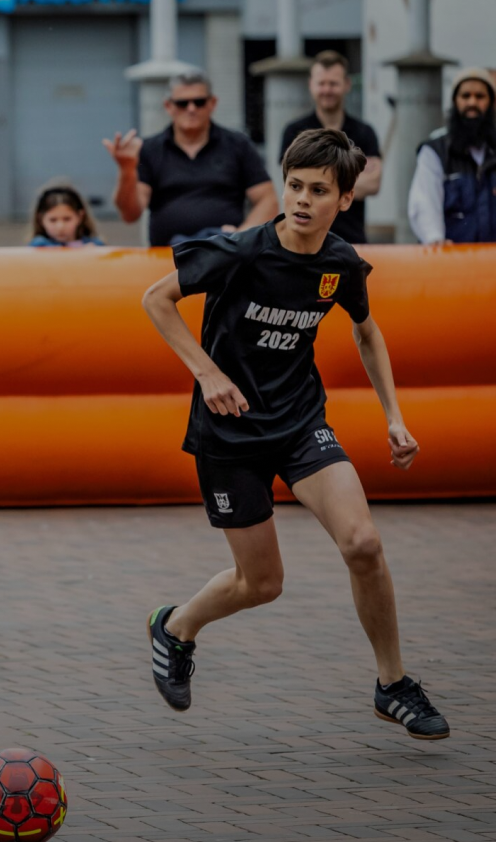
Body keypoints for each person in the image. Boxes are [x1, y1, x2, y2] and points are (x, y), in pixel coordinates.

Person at [139, 128, 449, 740]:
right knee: (263, 584)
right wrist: (207, 373)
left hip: (301, 422)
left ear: (345, 200)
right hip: (229, 435)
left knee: (363, 542)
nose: (303, 200)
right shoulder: (239, 251)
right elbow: (155, 299)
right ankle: (174, 627)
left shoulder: (339, 264)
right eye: (295, 186)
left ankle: (393, 684)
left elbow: (366, 332)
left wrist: (394, 416)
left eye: (319, 191)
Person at [106, 69, 276, 246]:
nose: (191, 109)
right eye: (182, 103)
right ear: (168, 106)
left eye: (199, 102)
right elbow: (130, 214)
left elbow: (268, 200)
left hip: (225, 255)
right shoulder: (149, 149)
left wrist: (240, 238)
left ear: (212, 103)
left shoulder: (238, 145)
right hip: (167, 257)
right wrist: (126, 170)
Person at [279, 52, 382, 245]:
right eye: (321, 83)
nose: (327, 90)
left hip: (351, 240)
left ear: (346, 85)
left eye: (333, 83)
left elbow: (373, 184)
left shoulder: (364, 132)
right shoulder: (294, 131)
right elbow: (289, 181)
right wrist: (347, 178)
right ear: (311, 85)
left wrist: (317, 181)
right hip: (302, 241)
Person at [409, 67, 496, 245]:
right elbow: (425, 201)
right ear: (455, 101)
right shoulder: (436, 151)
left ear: (491, 103)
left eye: (480, 96)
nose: (472, 102)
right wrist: (435, 238)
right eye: (465, 96)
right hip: (450, 261)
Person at [28, 184, 104, 247]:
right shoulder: (39, 246)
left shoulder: (95, 245)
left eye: (67, 219)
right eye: (53, 220)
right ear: (40, 219)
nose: (60, 226)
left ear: (80, 216)